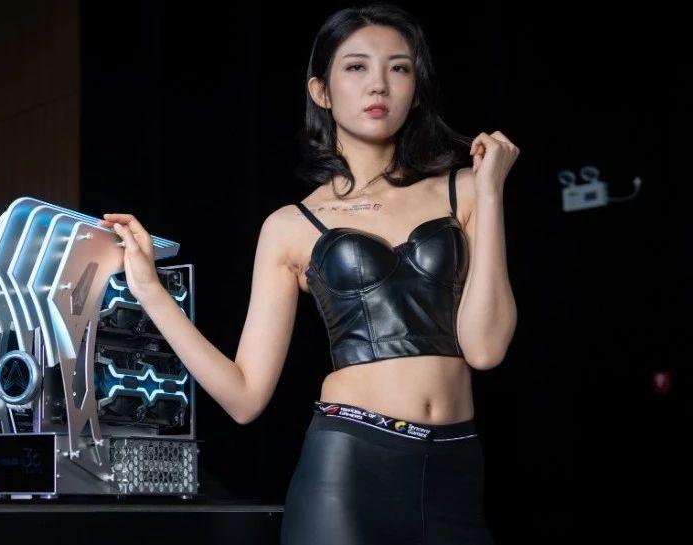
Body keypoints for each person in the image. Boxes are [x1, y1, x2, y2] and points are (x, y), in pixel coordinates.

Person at [101, 4, 517, 543]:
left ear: (415, 89)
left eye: (399, 68)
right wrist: (150, 291)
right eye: (356, 67)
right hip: (348, 470)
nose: (379, 84)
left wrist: (491, 191)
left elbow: (485, 349)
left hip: (455, 472)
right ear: (320, 91)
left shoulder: (466, 191)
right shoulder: (290, 226)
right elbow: (245, 397)